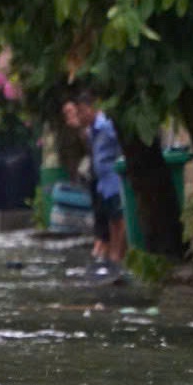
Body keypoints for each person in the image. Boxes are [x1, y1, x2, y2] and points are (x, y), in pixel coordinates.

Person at [63, 91, 126, 266]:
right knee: (112, 221)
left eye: (83, 111)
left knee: (119, 220)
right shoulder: (92, 130)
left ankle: (118, 257)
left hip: (114, 180)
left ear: (94, 108)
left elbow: (120, 146)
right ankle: (113, 257)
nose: (81, 116)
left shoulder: (106, 126)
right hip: (103, 183)